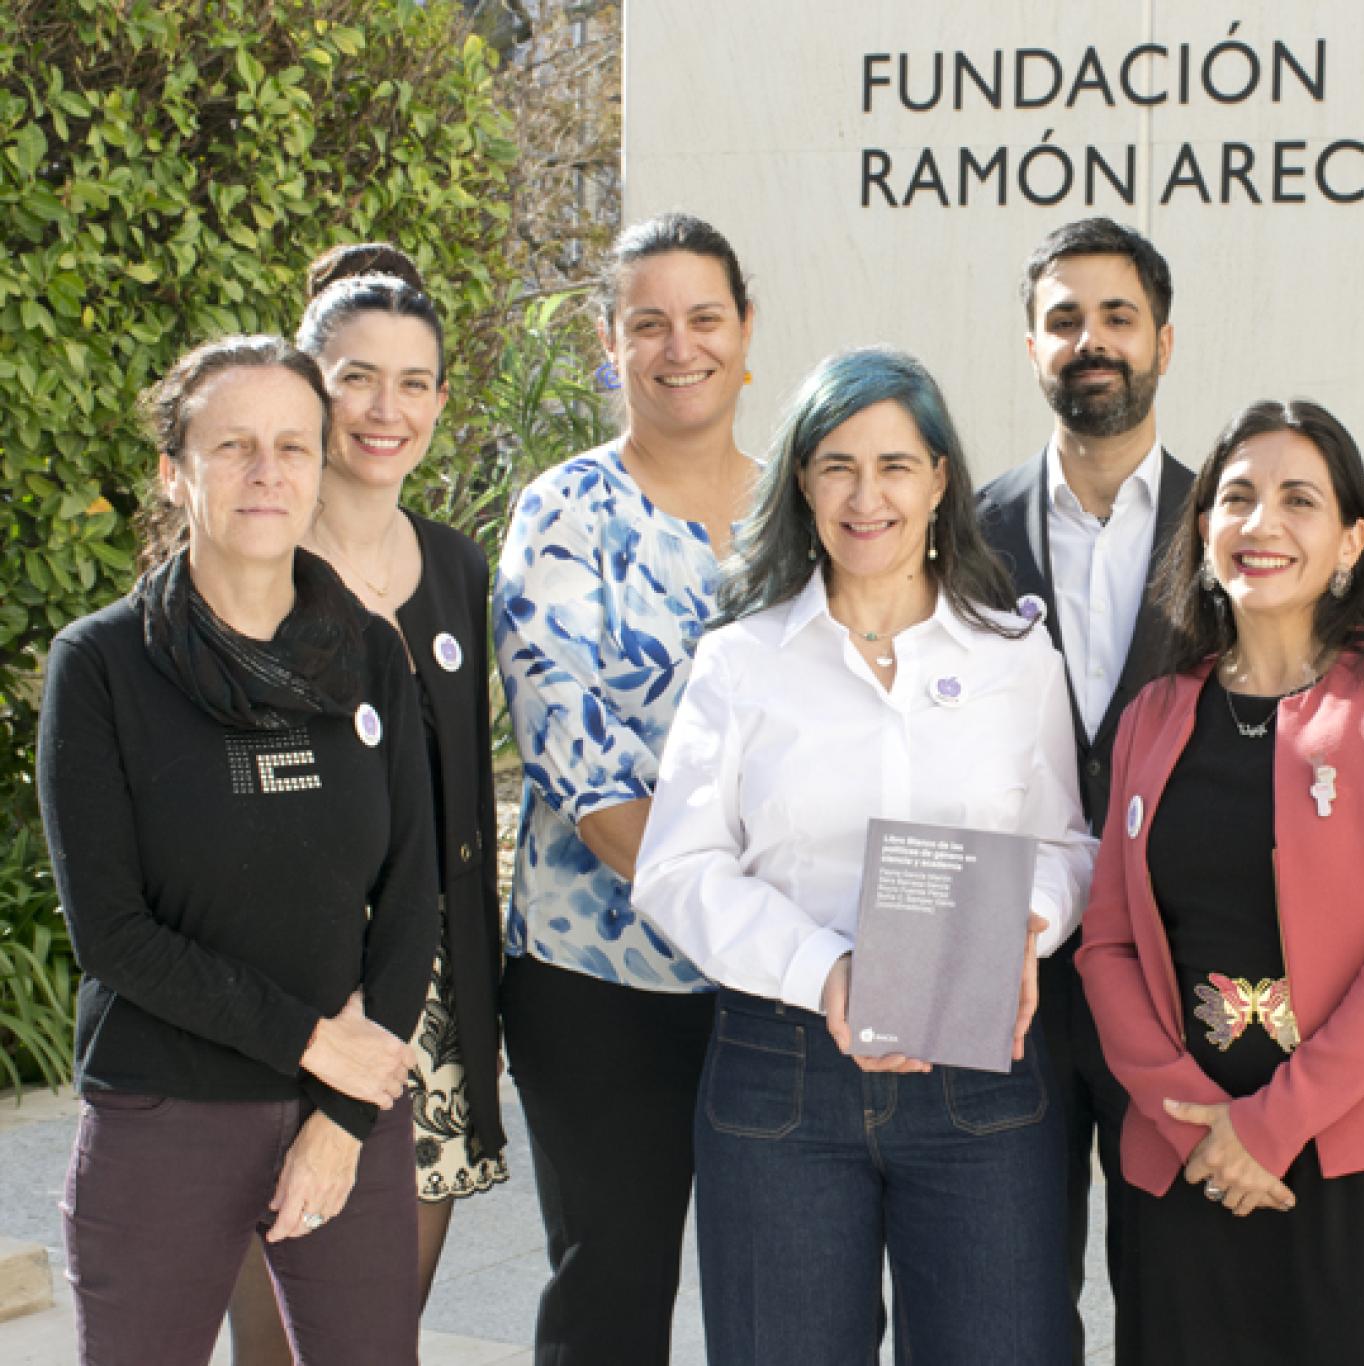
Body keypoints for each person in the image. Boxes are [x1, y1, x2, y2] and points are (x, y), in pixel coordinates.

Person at [633, 345, 1094, 1365]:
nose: (865, 494)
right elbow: (674, 868)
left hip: (981, 1071)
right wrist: (826, 969)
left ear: (938, 479)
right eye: (836, 464)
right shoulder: (741, 661)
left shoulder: (1015, 660)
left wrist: (1027, 918)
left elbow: (1069, 843)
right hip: (781, 1072)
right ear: (801, 480)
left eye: (893, 464)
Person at [37, 335, 438, 1365]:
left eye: (294, 447)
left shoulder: (369, 653)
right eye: (235, 446)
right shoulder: (102, 665)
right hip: (163, 1115)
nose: (268, 472)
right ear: (176, 471)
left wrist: (344, 1110)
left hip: (342, 1111)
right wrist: (313, 1039)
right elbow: (113, 935)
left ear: (320, 467)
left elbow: (410, 896)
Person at [1076, 399, 1364, 1364]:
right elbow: (1106, 943)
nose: (1261, 524)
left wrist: (1270, 1127)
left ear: (1351, 541)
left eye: (1298, 500)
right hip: (1186, 1165)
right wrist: (1196, 1129)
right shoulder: (1153, 713)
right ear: (1204, 528)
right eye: (1237, 497)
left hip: (1359, 1167)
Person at [223, 247, 509, 1364]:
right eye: (356, 378)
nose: (386, 410)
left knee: (376, 1334)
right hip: (279, 1006)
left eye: (414, 382)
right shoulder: (251, 560)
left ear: (441, 398)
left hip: (424, 1011)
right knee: (279, 1343)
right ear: (309, 381)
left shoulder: (452, 566)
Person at [493, 212, 758, 1364]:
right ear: (611, 344)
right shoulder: (562, 512)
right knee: (614, 1287)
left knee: (787, 1286)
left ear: (746, 336)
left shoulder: (810, 507)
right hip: (602, 981)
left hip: (783, 985)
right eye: (647, 323)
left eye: (704, 318)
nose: (678, 345)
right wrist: (752, 921)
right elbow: (581, 767)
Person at [975, 217, 1191, 1356]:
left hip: (1176, 974)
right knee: (1009, 1298)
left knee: (1173, 1296)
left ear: (1164, 339)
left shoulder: (1232, 529)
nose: (1090, 342)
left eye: (1116, 317)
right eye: (1064, 320)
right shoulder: (959, 534)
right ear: (1030, 347)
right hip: (1007, 976)